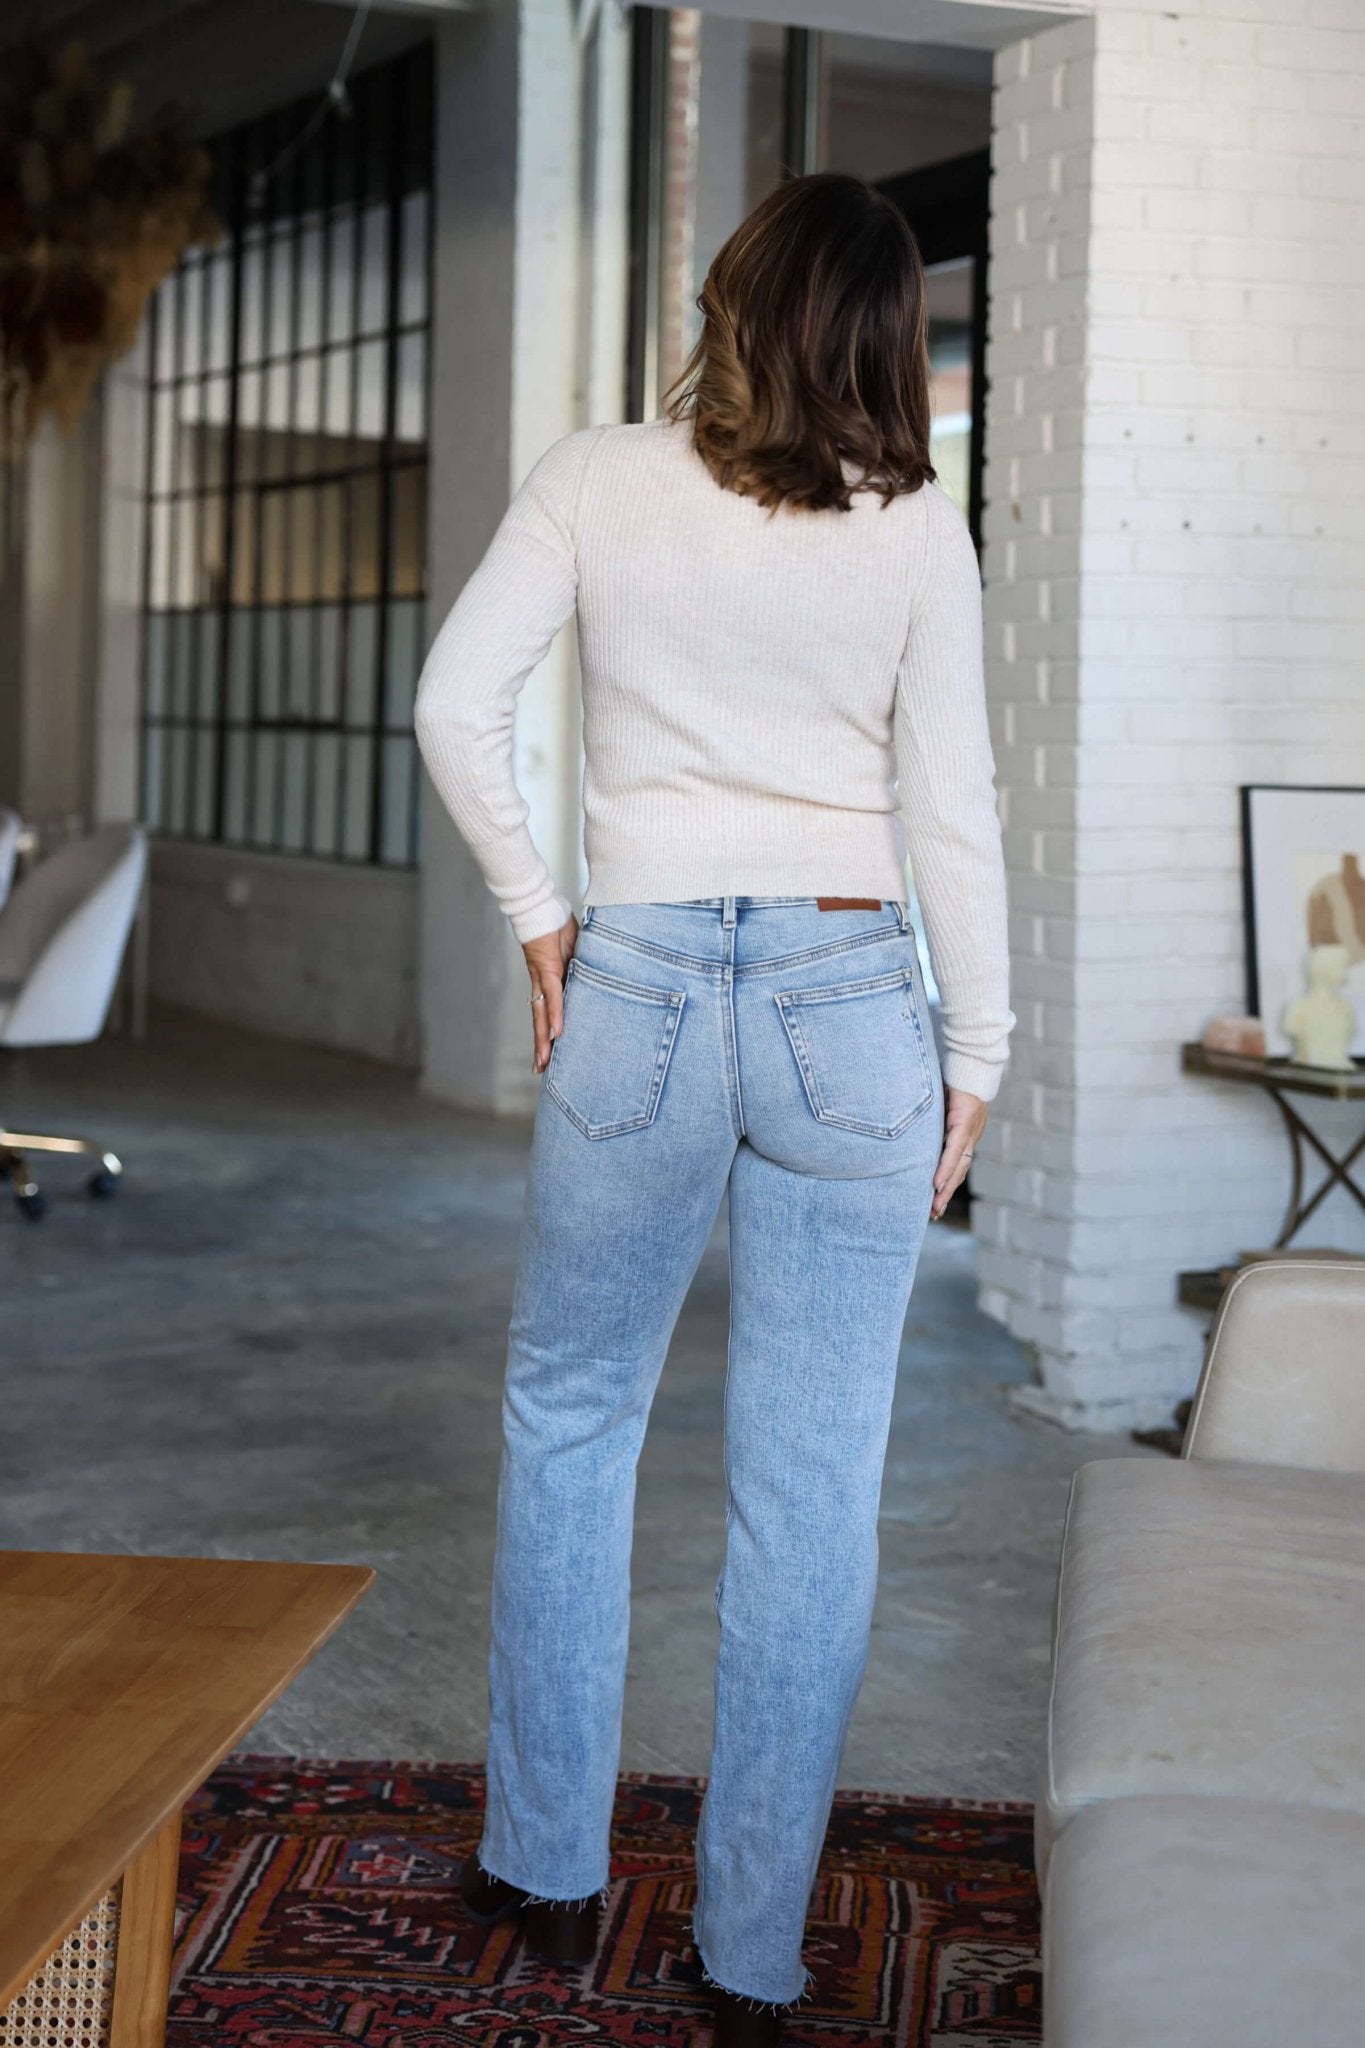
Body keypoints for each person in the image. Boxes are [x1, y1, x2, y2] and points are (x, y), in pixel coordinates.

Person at [413, 169, 1014, 2045]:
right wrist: (976, 1051)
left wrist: (538, 920)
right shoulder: (913, 525)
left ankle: (541, 1871)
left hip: (642, 988)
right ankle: (747, 1949)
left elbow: (454, 704)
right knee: (811, 1491)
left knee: (573, 1415)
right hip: (851, 1003)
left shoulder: (597, 476)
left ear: (728, 303)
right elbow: (954, 810)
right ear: (883, 336)